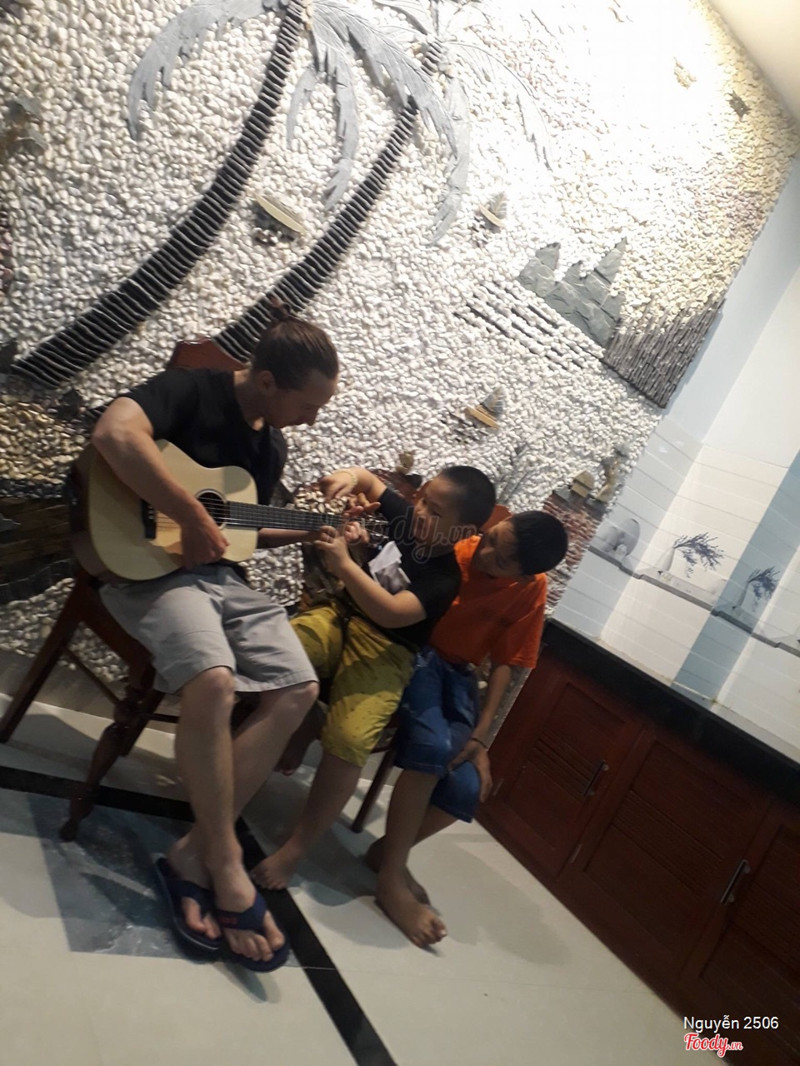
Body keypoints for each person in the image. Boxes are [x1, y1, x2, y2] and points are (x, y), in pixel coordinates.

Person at [91, 301, 338, 971]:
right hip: (150, 569)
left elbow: (238, 528)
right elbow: (114, 433)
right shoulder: (190, 389)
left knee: (298, 688)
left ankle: (192, 854)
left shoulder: (269, 445)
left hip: (223, 581)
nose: (313, 419)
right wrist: (187, 514)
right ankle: (225, 862)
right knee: (214, 680)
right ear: (267, 381)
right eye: (308, 405)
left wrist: (313, 531)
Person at [250, 464, 497, 890]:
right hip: (340, 614)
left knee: (349, 741)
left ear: (462, 532)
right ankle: (255, 761)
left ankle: (294, 850)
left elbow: (392, 612)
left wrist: (345, 563)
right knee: (272, 657)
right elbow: (366, 479)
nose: (420, 512)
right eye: (423, 500)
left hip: (386, 651)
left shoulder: (445, 579)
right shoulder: (408, 517)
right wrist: (347, 480)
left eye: (436, 512)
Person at [367, 510, 568, 947]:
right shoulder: (457, 544)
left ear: (522, 576)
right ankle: (390, 880)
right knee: (435, 745)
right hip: (415, 652)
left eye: (500, 559)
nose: (485, 552)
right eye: (491, 538)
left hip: (457, 675)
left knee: (467, 786)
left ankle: (388, 854)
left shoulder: (530, 589)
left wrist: (481, 736)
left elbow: (507, 662)